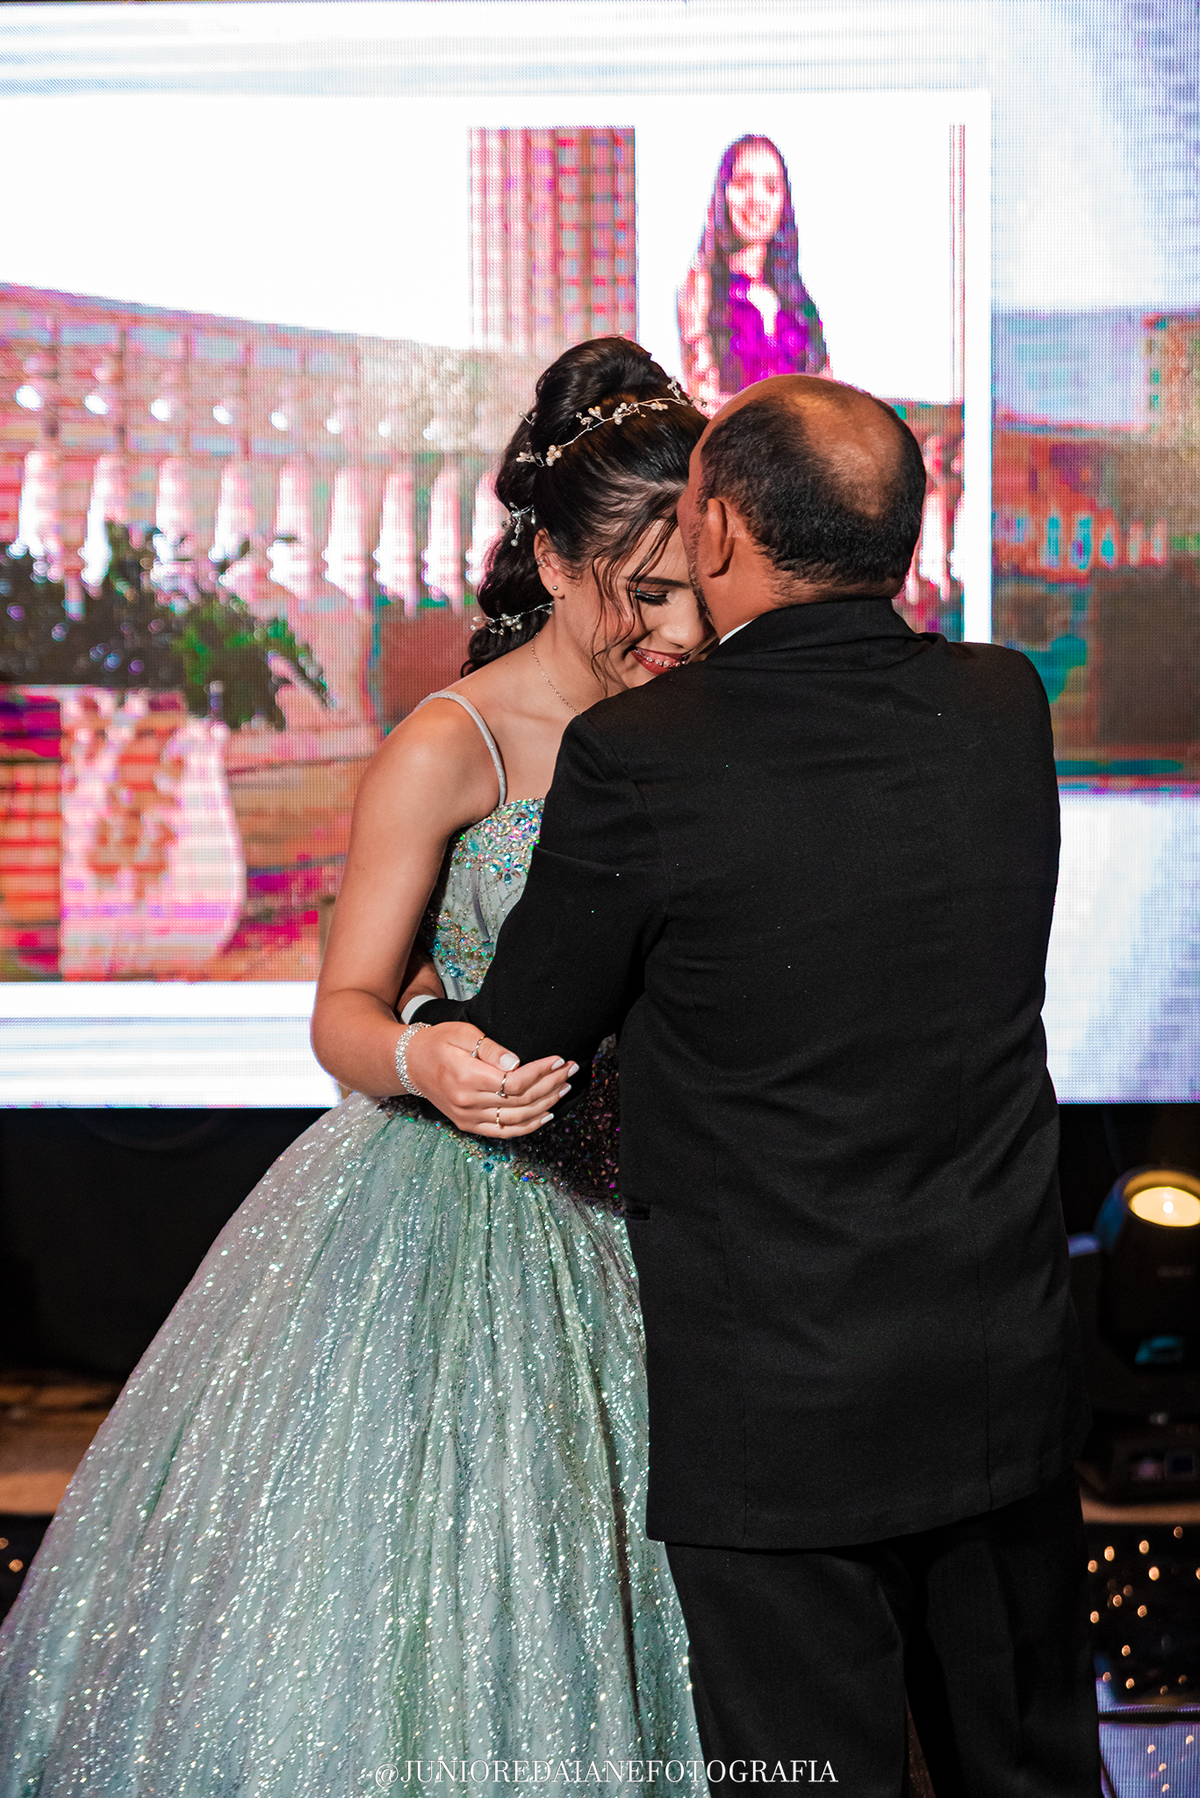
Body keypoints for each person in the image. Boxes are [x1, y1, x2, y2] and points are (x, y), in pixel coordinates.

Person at [0, 339, 709, 1796]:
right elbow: (339, 1009)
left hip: (674, 1217)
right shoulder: (454, 742)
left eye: (697, 584)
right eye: (645, 591)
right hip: (470, 1219)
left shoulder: (706, 728)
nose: (681, 625)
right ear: (554, 559)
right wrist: (422, 1054)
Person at [404, 375, 1100, 1797]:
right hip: (1000, 1372)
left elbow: (531, 1040)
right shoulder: (999, 704)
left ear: (716, 529)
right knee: (1023, 1766)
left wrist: (421, 1010)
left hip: (779, 1404)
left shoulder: (641, 754)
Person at [678, 135, 827, 415]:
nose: (757, 199)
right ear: (723, 193)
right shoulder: (701, 288)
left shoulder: (797, 297)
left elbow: (826, 388)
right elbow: (703, 399)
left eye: (771, 186)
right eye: (743, 183)